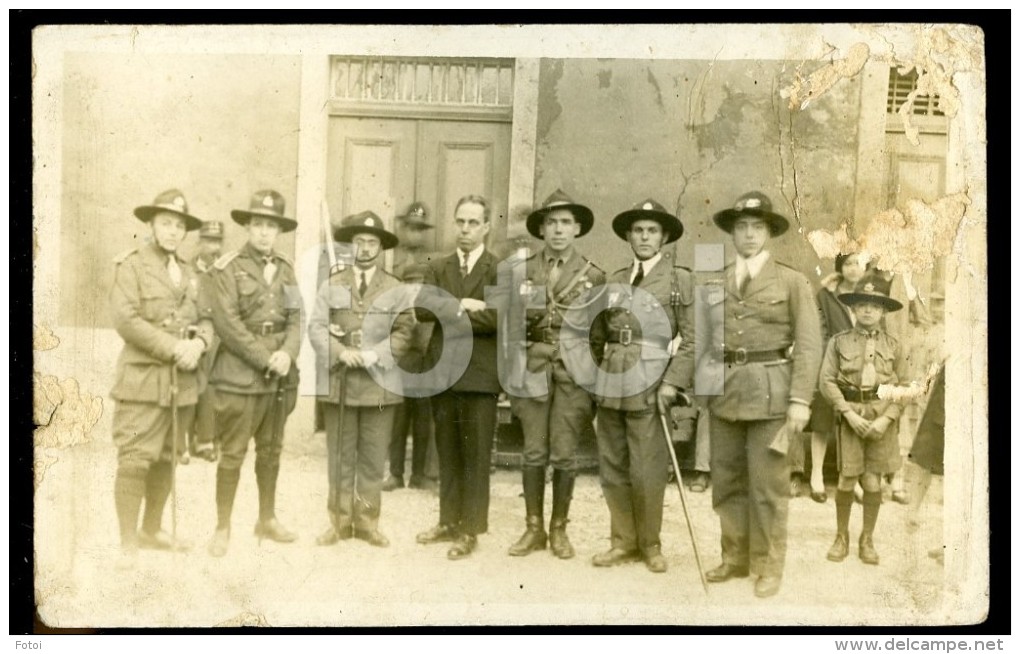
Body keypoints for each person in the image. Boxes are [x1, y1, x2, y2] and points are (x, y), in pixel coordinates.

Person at [693, 191, 822, 598]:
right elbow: (704, 339)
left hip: (772, 397)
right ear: (732, 233)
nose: (749, 235)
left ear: (769, 233)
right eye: (742, 227)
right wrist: (703, 393)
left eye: (757, 227)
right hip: (725, 395)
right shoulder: (715, 280)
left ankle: (767, 565)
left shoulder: (791, 281)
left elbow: (809, 344)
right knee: (727, 482)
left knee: (768, 487)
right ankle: (735, 557)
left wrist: (801, 400)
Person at [589, 198, 695, 574]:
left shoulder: (679, 280)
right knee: (613, 465)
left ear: (664, 237)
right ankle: (622, 541)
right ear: (629, 236)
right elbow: (597, 334)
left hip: (652, 384)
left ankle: (650, 544)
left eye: (652, 230)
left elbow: (694, 341)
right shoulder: (614, 279)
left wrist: (671, 384)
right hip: (612, 382)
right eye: (638, 230)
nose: (645, 236)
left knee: (647, 469)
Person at [109, 189, 213, 569]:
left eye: (180, 225)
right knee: (135, 459)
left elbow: (207, 317)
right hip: (142, 381)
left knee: (168, 459)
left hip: (181, 382)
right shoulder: (131, 265)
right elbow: (126, 320)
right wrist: (174, 348)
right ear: (151, 225)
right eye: (166, 223)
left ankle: (151, 529)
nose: (173, 231)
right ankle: (126, 544)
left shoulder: (190, 272)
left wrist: (200, 343)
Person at [505, 190, 605, 560]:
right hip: (532, 370)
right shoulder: (523, 270)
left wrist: (589, 379)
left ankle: (559, 529)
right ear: (541, 229)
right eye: (551, 223)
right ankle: (533, 528)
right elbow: (511, 324)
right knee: (533, 452)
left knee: (564, 454)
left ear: (577, 228)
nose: (558, 230)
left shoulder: (593, 274)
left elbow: (599, 334)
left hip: (573, 376)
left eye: (565, 222)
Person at [204, 189, 302, 557]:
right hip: (240, 376)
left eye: (271, 226)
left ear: (279, 231)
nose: (264, 233)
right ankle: (222, 526)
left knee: (272, 451)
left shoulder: (288, 269)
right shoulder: (227, 268)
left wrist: (288, 354)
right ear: (248, 227)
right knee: (232, 454)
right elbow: (227, 324)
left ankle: (267, 518)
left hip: (280, 375)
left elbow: (297, 317)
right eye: (258, 225)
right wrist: (267, 357)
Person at [308, 211, 414, 548]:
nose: (365, 248)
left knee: (372, 458)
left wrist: (374, 354)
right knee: (340, 457)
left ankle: (366, 522)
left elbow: (405, 330)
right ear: (350, 245)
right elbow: (317, 327)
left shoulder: (395, 288)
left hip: (379, 384)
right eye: (359, 242)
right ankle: (338, 522)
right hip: (341, 381)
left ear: (381, 248)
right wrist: (340, 352)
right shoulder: (333, 284)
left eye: (372, 242)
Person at [415, 195, 500, 560]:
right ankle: (448, 521)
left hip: (479, 378)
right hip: (444, 373)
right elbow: (421, 310)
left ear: (485, 227)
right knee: (447, 452)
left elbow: (500, 319)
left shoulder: (499, 269)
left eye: (473, 223)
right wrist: (466, 306)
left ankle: (470, 529)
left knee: (476, 455)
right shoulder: (438, 265)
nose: (465, 230)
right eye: (460, 222)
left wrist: (447, 309)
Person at [818, 273, 908, 566]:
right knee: (846, 479)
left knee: (872, 481)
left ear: (883, 311)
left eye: (875, 305)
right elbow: (827, 381)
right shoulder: (838, 342)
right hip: (850, 418)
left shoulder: (894, 346)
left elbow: (906, 388)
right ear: (853, 310)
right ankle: (841, 536)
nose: (868, 310)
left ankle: (867, 538)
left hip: (881, 419)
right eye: (862, 305)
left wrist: (886, 419)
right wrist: (846, 412)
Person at [797, 252, 866, 502]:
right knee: (823, 418)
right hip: (832, 362)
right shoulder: (826, 296)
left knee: (854, 419)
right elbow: (820, 331)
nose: (853, 268)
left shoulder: (869, 294)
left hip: (861, 366)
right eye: (848, 263)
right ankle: (816, 475)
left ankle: (851, 479)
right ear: (840, 268)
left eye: (857, 263)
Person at [384, 202, 437, 491]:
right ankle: (395, 473)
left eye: (420, 229)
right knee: (397, 418)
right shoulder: (393, 270)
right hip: (402, 363)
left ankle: (419, 474)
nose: (414, 290)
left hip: (426, 363)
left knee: (423, 419)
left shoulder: (432, 267)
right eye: (411, 228)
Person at [190, 220, 226, 463]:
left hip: (220, 336)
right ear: (199, 242)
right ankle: (186, 439)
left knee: (212, 384)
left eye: (217, 242)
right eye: (208, 241)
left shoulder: (226, 270)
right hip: (191, 332)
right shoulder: (186, 270)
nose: (213, 247)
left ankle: (206, 439)